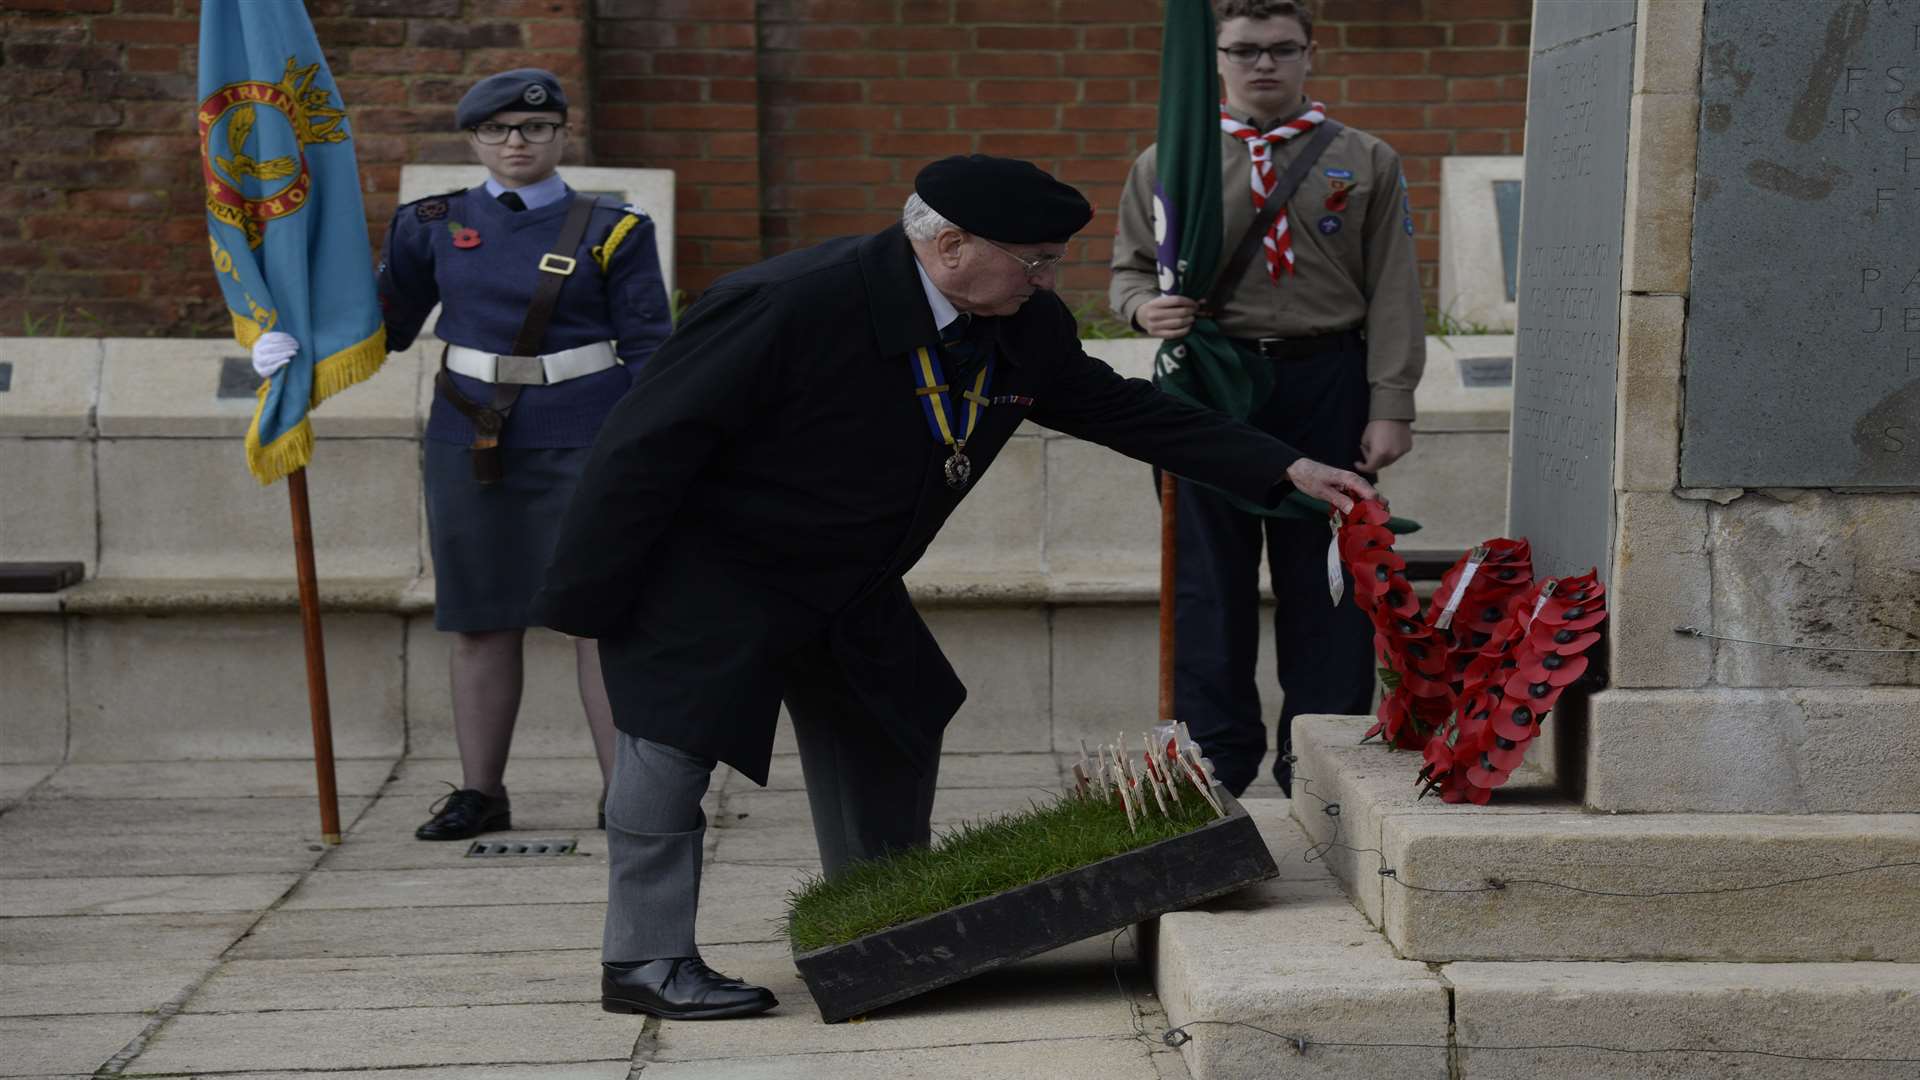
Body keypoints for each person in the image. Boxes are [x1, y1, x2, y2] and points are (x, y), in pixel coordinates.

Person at [529, 154, 1379, 1020]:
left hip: (848, 577)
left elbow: (1121, 409)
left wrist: (1284, 467)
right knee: (669, 753)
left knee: (897, 714)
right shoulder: (792, 301)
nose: (1050, 279)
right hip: (714, 568)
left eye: (1054, 260)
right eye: (1036, 259)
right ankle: (643, 959)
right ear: (951, 245)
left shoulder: (1024, 322)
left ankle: (885, 926)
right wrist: (589, 596)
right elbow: (645, 442)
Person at [256, 68, 673, 840]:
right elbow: (383, 323)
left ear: (561, 136)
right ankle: (481, 791)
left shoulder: (615, 228)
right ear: (475, 138)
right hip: (470, 433)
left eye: (536, 129)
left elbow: (653, 351)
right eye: (499, 129)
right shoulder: (431, 224)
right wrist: (297, 351)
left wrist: (649, 450)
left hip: (589, 431)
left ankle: (627, 793)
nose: (518, 142)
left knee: (600, 619)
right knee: (479, 616)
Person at [1110, 0, 1426, 797]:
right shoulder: (1170, 161)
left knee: (1328, 580)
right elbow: (1129, 271)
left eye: (1282, 50)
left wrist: (1391, 402)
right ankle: (1214, 755)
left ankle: (1320, 754)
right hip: (1211, 385)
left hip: (1325, 381)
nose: (1263, 66)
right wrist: (1145, 309)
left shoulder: (1364, 159)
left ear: (1310, 54)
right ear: (1217, 59)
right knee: (1207, 580)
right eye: (1245, 51)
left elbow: (1395, 287)